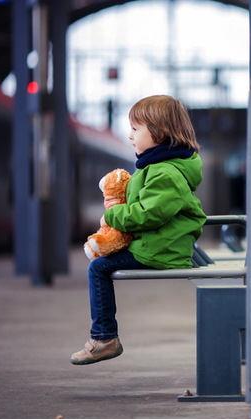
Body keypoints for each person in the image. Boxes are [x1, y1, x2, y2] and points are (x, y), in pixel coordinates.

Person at [70, 95, 207, 365]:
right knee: (99, 264)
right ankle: (104, 336)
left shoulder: (165, 173)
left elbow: (148, 215)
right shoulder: (158, 168)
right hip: (159, 245)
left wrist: (112, 213)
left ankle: (104, 337)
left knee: (97, 268)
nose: (130, 136)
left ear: (160, 132)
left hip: (160, 250)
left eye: (136, 129)